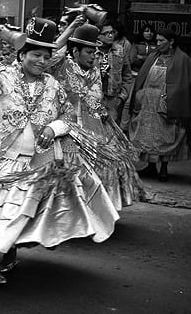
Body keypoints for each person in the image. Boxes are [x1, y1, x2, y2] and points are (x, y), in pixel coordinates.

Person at [0, 18, 118, 284]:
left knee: (21, 212)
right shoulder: (2, 77)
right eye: (36, 54)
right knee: (2, 212)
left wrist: (53, 129)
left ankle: (8, 250)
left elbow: (68, 116)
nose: (42, 61)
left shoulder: (53, 86)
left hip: (37, 162)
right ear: (22, 55)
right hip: (3, 159)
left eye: (46, 56)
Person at [48, 23, 141, 210]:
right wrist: (71, 27)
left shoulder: (94, 70)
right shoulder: (61, 65)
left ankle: (99, 210)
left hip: (95, 123)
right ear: (75, 52)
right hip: (66, 126)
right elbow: (51, 52)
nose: (93, 56)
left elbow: (96, 95)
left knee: (110, 162)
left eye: (95, 53)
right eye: (89, 52)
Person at [128, 29, 191, 181]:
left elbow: (185, 84)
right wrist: (140, 95)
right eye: (157, 41)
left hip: (167, 104)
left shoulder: (183, 59)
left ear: (171, 42)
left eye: (161, 41)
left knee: (166, 136)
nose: (158, 44)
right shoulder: (153, 56)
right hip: (148, 104)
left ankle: (163, 168)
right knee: (148, 136)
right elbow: (142, 78)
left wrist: (170, 96)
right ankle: (150, 166)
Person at [98, 21, 133, 122]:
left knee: (113, 131)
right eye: (106, 33)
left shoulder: (120, 50)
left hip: (114, 99)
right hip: (95, 98)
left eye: (112, 32)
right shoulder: (91, 51)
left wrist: (121, 98)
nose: (110, 35)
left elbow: (127, 75)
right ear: (98, 36)